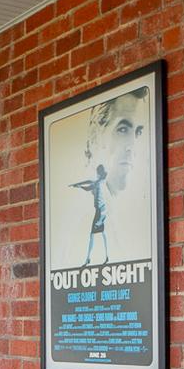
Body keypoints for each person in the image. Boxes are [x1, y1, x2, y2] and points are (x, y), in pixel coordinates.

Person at [70, 86, 149, 265]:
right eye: (122, 130)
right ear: (96, 136)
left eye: (139, 132)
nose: (132, 145)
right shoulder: (76, 214)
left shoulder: (140, 213)